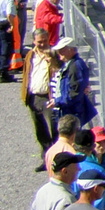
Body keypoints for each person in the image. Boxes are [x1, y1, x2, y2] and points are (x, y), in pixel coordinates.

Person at [22, 26, 60, 160]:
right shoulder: (30, 55)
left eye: (45, 41)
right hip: (34, 96)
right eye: (39, 42)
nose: (42, 44)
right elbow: (26, 74)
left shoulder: (54, 54)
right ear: (34, 42)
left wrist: (53, 62)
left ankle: (57, 157)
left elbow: (59, 72)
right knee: (39, 129)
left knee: (54, 127)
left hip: (48, 97)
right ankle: (46, 156)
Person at [54, 37, 96, 126]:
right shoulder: (71, 64)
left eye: (62, 51)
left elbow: (75, 93)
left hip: (73, 111)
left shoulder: (75, 66)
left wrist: (58, 101)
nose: (59, 54)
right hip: (69, 110)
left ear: (71, 50)